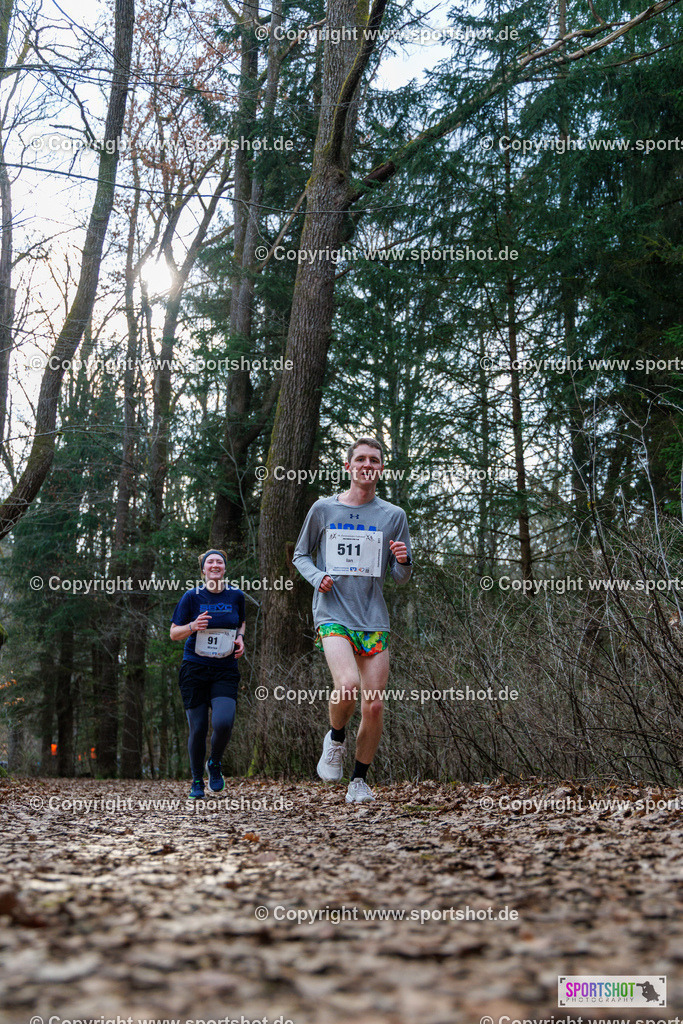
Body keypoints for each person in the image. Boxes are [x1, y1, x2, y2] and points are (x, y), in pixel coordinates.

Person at [292, 438, 412, 803]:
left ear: (380, 469)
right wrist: (317, 577)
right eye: (360, 458)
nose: (367, 464)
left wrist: (403, 561)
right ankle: (336, 738)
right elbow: (301, 555)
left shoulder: (393, 516)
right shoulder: (323, 509)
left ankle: (358, 781)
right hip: (333, 611)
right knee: (346, 686)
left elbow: (400, 578)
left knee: (374, 705)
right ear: (348, 467)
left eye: (374, 460)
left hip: (373, 618)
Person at [170, 550, 246, 799]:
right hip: (195, 669)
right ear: (203, 569)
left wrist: (240, 638)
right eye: (210, 562)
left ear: (225, 568)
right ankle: (195, 780)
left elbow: (241, 621)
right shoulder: (191, 597)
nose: (215, 565)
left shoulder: (236, 595)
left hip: (225, 669)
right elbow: (173, 633)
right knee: (199, 727)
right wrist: (193, 626)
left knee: (223, 721)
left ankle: (214, 763)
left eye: (219, 562)